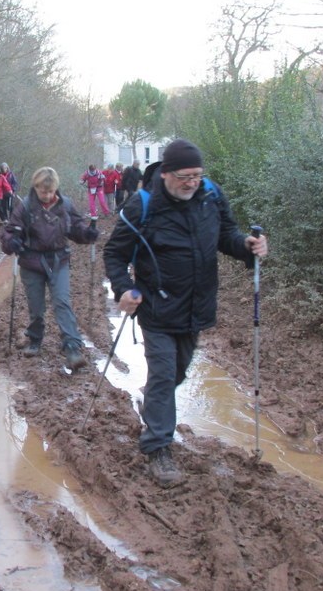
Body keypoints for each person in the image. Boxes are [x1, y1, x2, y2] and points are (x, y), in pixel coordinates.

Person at [103, 139, 267, 488]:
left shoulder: (211, 196)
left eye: (197, 175)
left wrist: (248, 247)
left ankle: (153, 403)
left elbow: (227, 235)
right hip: (157, 307)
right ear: (166, 174)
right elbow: (115, 254)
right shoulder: (142, 205)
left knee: (176, 372)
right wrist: (123, 289)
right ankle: (158, 447)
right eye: (185, 176)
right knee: (163, 374)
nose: (192, 182)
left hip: (196, 306)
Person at [0, 166, 99, 371]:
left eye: (51, 191)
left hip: (58, 260)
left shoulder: (65, 205)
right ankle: (35, 338)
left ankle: (72, 347)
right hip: (31, 262)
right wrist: (13, 243)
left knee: (62, 302)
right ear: (36, 188)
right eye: (43, 191)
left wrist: (87, 234)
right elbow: (9, 233)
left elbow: (76, 228)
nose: (47, 195)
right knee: (36, 306)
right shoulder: (25, 207)